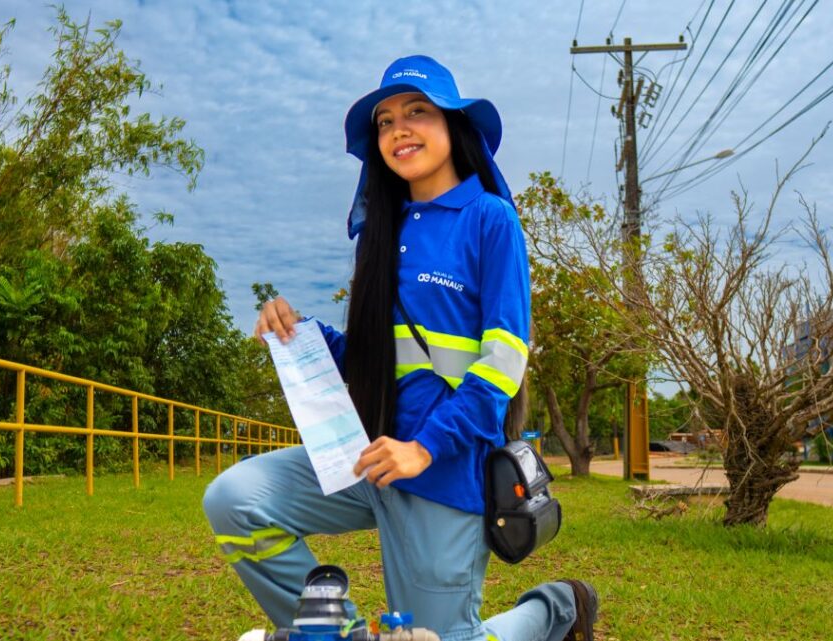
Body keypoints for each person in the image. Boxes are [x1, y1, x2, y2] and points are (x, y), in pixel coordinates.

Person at [203, 55, 598, 641]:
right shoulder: (381, 231)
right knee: (235, 499)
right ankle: (341, 633)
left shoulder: (489, 219)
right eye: (385, 122)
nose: (398, 130)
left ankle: (556, 608)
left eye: (417, 112)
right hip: (367, 456)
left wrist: (423, 449)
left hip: (442, 467)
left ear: (454, 125)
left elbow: (504, 362)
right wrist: (299, 331)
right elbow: (374, 355)